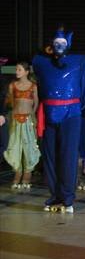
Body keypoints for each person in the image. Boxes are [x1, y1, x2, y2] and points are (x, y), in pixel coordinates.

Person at [32, 27, 85, 213]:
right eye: (56, 43)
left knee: (68, 156)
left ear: (68, 44)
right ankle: (55, 195)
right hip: (49, 113)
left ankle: (67, 197)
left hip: (71, 113)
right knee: (50, 156)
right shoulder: (41, 62)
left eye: (62, 43)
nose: (59, 46)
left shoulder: (79, 62)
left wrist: (80, 113)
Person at [4, 61, 40, 189]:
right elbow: (9, 102)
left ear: (26, 72)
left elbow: (36, 102)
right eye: (16, 69)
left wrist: (32, 115)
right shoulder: (12, 85)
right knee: (15, 146)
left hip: (28, 120)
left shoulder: (33, 86)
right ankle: (17, 172)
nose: (16, 72)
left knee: (29, 146)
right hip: (15, 120)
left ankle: (27, 173)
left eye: (19, 70)